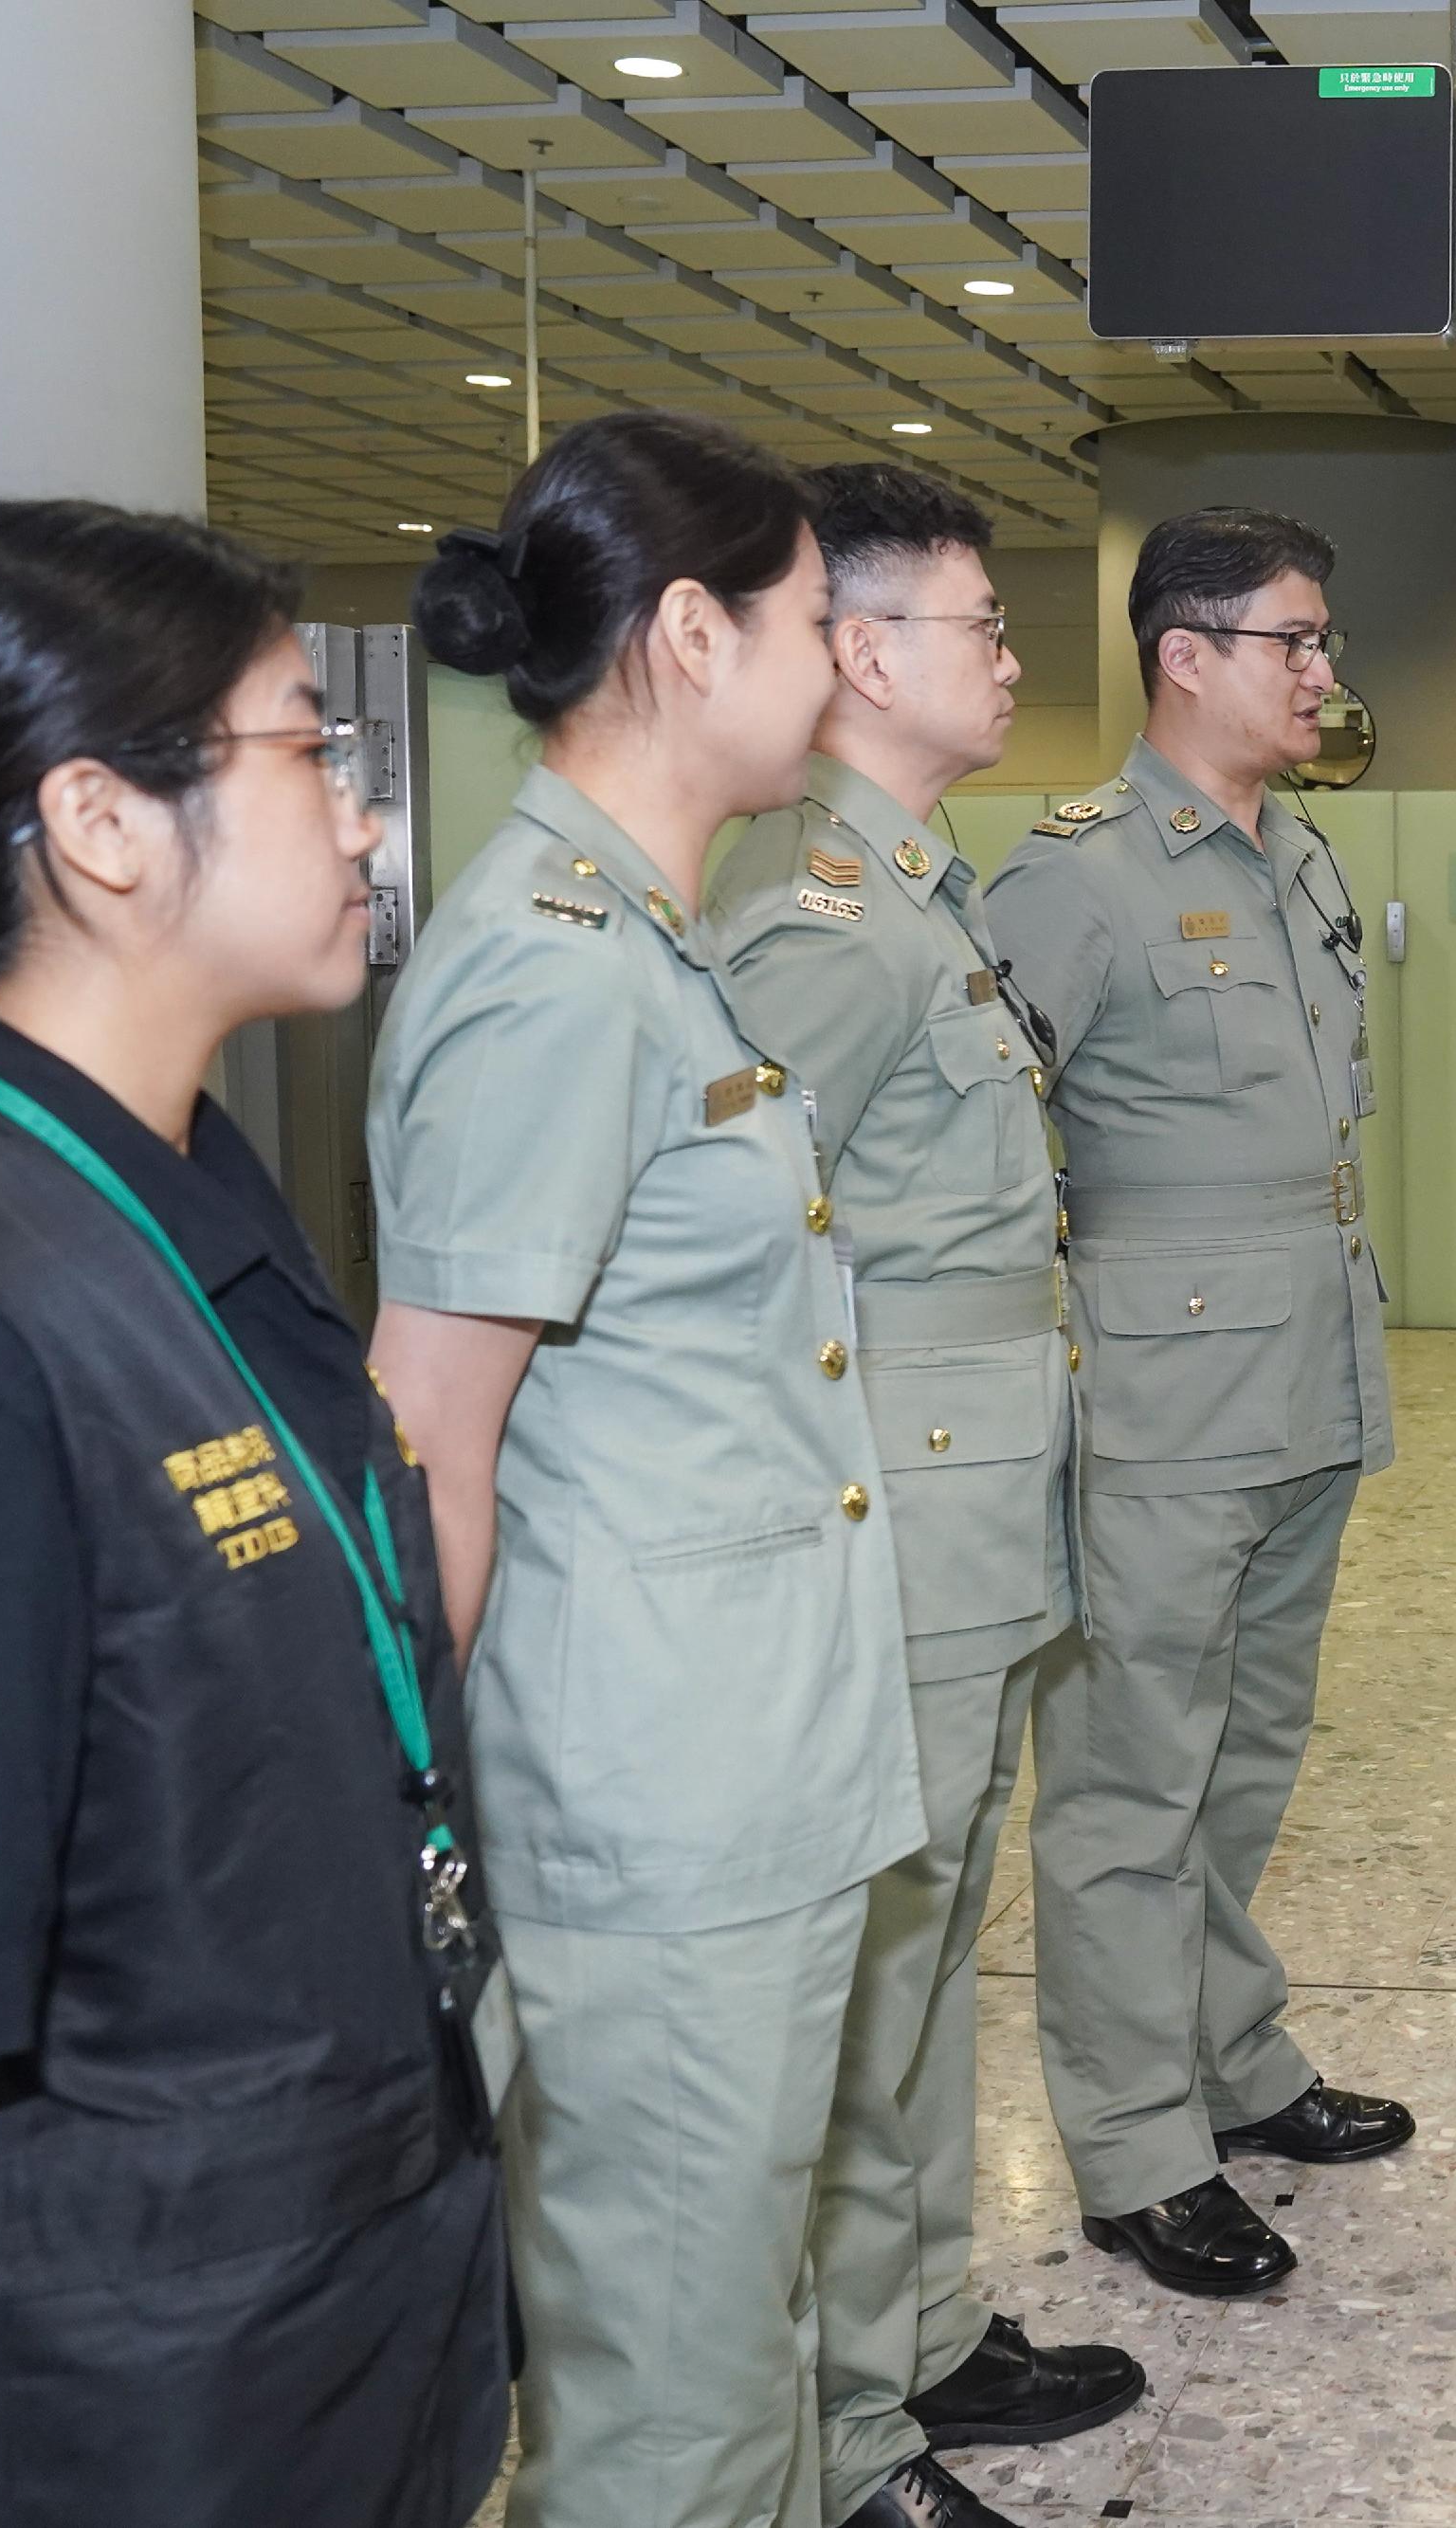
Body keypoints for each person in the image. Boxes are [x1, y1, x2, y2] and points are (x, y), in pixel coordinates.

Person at [0, 502, 507, 2528]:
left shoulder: (194, 1192)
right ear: (102, 821)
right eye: (302, 747)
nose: (359, 819)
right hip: (132, 2365)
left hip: (341, 2259)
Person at [365, 412, 928, 2528]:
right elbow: (433, 1434)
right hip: (653, 1805)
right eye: (806, 624)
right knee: (664, 2405)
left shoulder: (658, 933)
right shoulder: (547, 970)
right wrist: (402, 1816)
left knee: (734, 2331)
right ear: (690, 636)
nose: (833, 668)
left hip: (743, 1774)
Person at [701, 466, 1141, 2528]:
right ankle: (846, 2434)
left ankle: (925, 2333)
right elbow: (711, 1244)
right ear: (864, 654)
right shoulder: (823, 922)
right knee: (874, 1981)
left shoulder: (919, 888)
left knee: (935, 1940)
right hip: (892, 1518)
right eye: (982, 621)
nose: (1015, 656)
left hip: (969, 1516)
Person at [984, 505, 1413, 2302]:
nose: (1324, 672)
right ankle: (1135, 2148)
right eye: (1294, 641)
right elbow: (977, 1148)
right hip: (1161, 1404)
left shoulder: (1298, 860)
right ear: (1187, 654)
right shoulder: (1070, 876)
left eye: (1322, 640)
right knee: (1123, 1788)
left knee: (1245, 1760)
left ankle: (1235, 2058)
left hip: (1308, 1374)